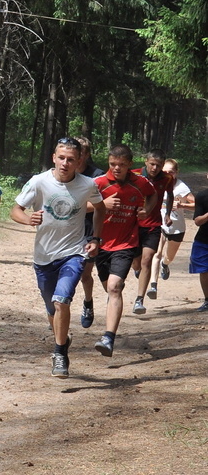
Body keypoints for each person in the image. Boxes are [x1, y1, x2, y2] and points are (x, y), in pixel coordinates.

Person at [12, 137, 105, 378]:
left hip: (73, 252)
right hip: (43, 256)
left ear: (79, 161)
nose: (65, 163)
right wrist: (27, 219)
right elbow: (16, 210)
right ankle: (62, 338)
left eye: (71, 159)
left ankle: (59, 353)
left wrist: (95, 237)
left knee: (62, 300)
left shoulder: (88, 184)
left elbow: (100, 208)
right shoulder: (38, 182)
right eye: (61, 158)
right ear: (54, 157)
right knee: (51, 308)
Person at [92, 144, 157, 357]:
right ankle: (112, 304)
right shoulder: (99, 183)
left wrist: (147, 209)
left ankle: (108, 338)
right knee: (108, 289)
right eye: (112, 164)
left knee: (114, 287)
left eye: (121, 165)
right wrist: (102, 204)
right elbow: (80, 204)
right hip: (101, 244)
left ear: (130, 164)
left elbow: (152, 194)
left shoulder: (140, 183)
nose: (116, 168)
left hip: (126, 243)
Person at [131, 149, 174, 314]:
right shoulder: (134, 175)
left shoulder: (167, 178)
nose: (155, 168)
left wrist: (168, 213)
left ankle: (139, 300)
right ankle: (137, 270)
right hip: (133, 225)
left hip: (153, 225)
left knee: (147, 260)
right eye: (152, 164)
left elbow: (170, 195)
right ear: (145, 162)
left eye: (158, 165)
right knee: (137, 262)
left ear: (163, 165)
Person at [148, 158, 194, 295]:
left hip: (177, 228)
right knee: (157, 253)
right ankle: (153, 286)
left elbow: (196, 205)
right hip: (160, 224)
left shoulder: (182, 188)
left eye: (171, 172)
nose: (168, 174)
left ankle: (165, 265)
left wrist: (182, 205)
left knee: (169, 257)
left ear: (176, 173)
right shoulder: (157, 184)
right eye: (165, 171)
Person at [74, 136, 105, 329]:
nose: (75, 157)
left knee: (85, 274)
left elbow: (103, 205)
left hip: (89, 227)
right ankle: (59, 310)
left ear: (86, 155)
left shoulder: (97, 176)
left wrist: (72, 207)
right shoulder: (61, 173)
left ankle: (87, 302)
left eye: (80, 153)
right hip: (67, 228)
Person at [190, 186, 208, 312]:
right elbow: (197, 221)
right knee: (204, 271)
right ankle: (207, 300)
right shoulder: (202, 196)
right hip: (204, 240)